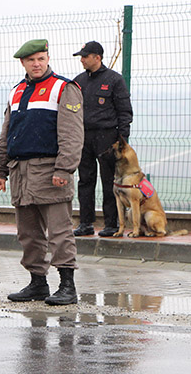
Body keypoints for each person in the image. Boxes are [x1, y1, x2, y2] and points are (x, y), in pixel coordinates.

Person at [0, 39, 84, 305]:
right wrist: (0, 171)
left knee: (59, 232)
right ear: (23, 63)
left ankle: (67, 286)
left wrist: (64, 169)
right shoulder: (17, 91)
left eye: (41, 58)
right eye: (31, 60)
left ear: (48, 58)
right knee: (28, 234)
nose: (37, 64)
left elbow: (72, 135)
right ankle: (38, 284)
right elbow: (7, 135)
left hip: (51, 171)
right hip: (20, 172)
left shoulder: (64, 88)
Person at [71, 41, 133, 237]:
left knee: (109, 181)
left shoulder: (114, 80)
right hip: (84, 136)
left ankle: (111, 224)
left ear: (97, 57)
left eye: (85, 56)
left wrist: (122, 141)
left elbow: (124, 112)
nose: (81, 60)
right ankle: (85, 223)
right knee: (85, 180)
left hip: (107, 137)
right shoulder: (78, 81)